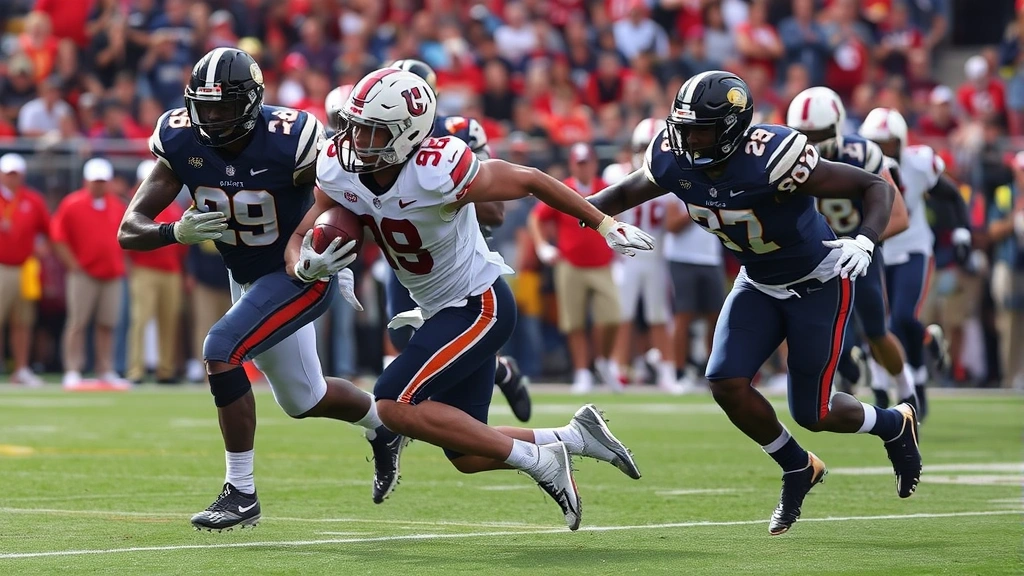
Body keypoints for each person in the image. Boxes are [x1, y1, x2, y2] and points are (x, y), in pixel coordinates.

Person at [306, 68, 651, 530]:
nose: (356, 139)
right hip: (438, 309)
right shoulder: (339, 165)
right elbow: (310, 225)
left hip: (478, 304)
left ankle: (541, 462)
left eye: (372, 130)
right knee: (467, 454)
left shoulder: (437, 169)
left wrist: (604, 223)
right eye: (355, 126)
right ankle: (574, 436)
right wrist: (314, 262)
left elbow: (530, 178)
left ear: (407, 132)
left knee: (391, 403)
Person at [587, 70, 922, 536]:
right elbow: (626, 191)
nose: (688, 139)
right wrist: (585, 214)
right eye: (684, 128)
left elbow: (876, 187)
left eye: (701, 130)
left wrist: (865, 240)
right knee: (725, 381)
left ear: (730, 128)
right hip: (758, 282)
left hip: (816, 283)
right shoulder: (673, 157)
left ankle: (893, 423)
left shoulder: (774, 157)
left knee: (815, 413)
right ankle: (797, 466)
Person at [117, 48, 401, 532]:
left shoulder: (291, 139)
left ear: (251, 102)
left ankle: (241, 492)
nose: (212, 118)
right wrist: (174, 232)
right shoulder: (180, 138)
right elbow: (130, 228)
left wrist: (339, 251)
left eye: (224, 107)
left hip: (300, 273)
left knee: (220, 349)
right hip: (246, 276)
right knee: (304, 399)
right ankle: (384, 425)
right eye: (204, 107)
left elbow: (352, 197)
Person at [383, 59, 532, 421]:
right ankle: (498, 372)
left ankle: (407, 419)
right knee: (403, 338)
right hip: (405, 254)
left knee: (439, 350)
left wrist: (439, 194)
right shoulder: (377, 139)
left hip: (456, 254)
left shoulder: (457, 136)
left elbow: (495, 211)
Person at [786, 87, 917, 409]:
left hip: (859, 251)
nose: (810, 142)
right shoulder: (783, 158)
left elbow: (899, 217)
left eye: (818, 134)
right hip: (814, 255)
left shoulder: (862, 154)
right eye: (803, 134)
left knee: (876, 331)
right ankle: (837, 384)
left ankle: (907, 388)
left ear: (837, 126)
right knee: (815, 330)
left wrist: (863, 242)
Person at [859, 107, 960, 420]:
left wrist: (962, 232)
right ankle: (884, 385)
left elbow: (951, 194)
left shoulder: (918, 163)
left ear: (901, 142)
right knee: (876, 323)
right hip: (874, 248)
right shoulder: (855, 164)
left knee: (900, 318)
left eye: (888, 143)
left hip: (913, 246)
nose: (882, 150)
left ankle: (915, 378)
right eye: (876, 143)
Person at [529, 143, 623, 393]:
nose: (583, 168)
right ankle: (582, 372)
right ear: (572, 165)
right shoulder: (563, 189)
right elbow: (537, 217)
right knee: (575, 323)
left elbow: (619, 217)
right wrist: (542, 246)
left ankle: (604, 361)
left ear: (594, 164)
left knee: (612, 316)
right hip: (570, 263)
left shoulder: (605, 188)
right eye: (579, 164)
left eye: (587, 163)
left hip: (602, 264)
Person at [604, 119, 679, 392]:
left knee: (659, 316)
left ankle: (667, 371)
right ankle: (617, 368)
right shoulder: (617, 175)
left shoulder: (670, 181)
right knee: (622, 315)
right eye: (641, 146)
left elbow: (673, 220)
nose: (645, 151)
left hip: (654, 257)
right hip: (626, 258)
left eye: (649, 146)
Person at [51, 157, 127, 388]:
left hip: (112, 274)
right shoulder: (72, 204)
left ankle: (106, 369)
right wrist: (72, 264)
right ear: (86, 181)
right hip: (83, 273)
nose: (99, 185)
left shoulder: (118, 206)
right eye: (95, 181)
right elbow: (58, 236)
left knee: (108, 323)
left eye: (103, 181)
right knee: (78, 323)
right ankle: (73, 369)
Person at [124, 159, 186, 384]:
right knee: (141, 320)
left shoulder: (174, 206)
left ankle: (165, 370)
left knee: (169, 320)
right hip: (144, 269)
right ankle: (136, 370)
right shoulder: (135, 207)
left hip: (171, 271)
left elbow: (183, 245)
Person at [0, 153, 49, 386]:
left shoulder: (33, 199)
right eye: (8, 174)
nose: (12, 178)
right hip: (1, 266)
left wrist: (42, 247)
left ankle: (21, 369)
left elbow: (48, 230)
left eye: (16, 174)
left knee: (23, 321)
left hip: (25, 268)